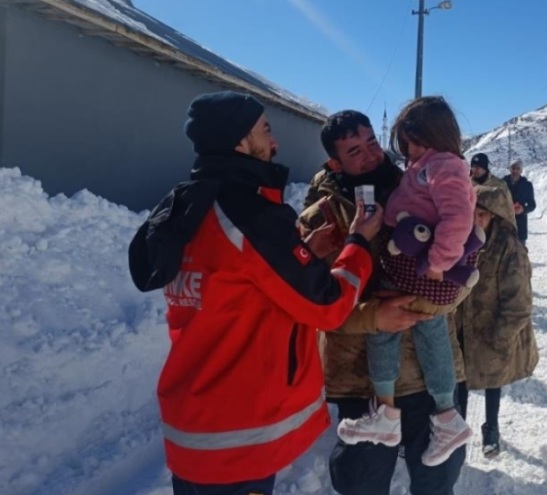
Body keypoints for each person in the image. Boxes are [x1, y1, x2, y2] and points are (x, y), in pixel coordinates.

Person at [127, 91, 382, 495]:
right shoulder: (251, 215)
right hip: (237, 438)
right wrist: (359, 243)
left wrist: (304, 253)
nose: (274, 141)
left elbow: (238, 284)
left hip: (193, 427)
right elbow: (328, 305)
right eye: (265, 129)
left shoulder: (190, 205)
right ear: (240, 142)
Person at [298, 110, 467, 495]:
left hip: (432, 374)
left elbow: (465, 273)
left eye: (372, 142)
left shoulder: (425, 186)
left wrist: (426, 304)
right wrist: (376, 316)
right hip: (361, 380)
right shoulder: (319, 220)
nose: (371, 155)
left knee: (437, 483)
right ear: (334, 163)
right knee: (362, 485)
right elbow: (309, 307)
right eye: (355, 151)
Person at [335, 97, 475, 467]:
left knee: (387, 326)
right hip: (416, 266)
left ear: (436, 136)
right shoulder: (424, 167)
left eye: (414, 143)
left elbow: (458, 218)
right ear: (336, 162)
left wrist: (439, 262)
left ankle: (388, 413)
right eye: (354, 151)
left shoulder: (441, 166)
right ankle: (445, 417)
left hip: (422, 269)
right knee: (422, 328)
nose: (408, 152)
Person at [453, 184, 539, 458]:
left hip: (494, 329)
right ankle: (458, 431)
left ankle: (491, 427)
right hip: (463, 328)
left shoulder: (509, 249)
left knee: (492, 379)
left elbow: (519, 302)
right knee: (460, 381)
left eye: (483, 214)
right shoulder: (460, 242)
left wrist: (500, 337)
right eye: (472, 213)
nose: (476, 220)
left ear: (495, 216)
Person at [469, 152, 516, 230]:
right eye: (473, 167)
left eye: (478, 167)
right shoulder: (466, 184)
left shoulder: (499, 185)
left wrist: (511, 229)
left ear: (485, 168)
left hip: (494, 229)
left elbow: (509, 210)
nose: (474, 170)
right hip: (472, 227)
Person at [502, 160, 536, 246]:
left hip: (520, 225)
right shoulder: (502, 183)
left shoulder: (527, 185)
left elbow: (532, 205)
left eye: (518, 168)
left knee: (520, 254)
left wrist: (523, 209)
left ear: (521, 170)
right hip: (505, 223)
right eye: (513, 168)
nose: (515, 171)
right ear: (510, 169)